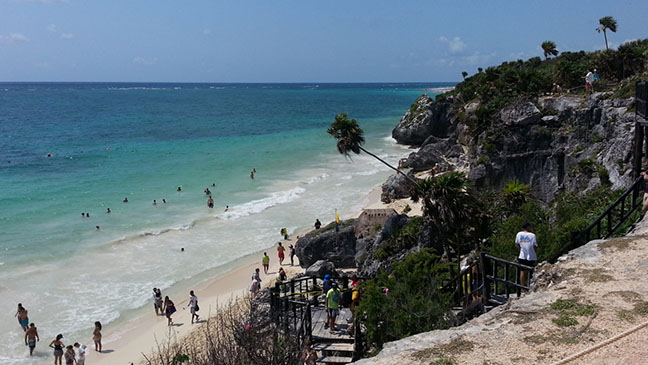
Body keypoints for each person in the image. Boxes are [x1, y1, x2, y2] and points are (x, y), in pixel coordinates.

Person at [515, 222, 538, 286]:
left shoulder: (519, 234)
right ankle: (530, 285)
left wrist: (523, 248)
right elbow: (534, 245)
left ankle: (523, 287)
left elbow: (517, 244)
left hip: (522, 255)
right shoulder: (532, 235)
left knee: (522, 272)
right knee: (531, 272)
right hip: (531, 255)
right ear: (528, 227)